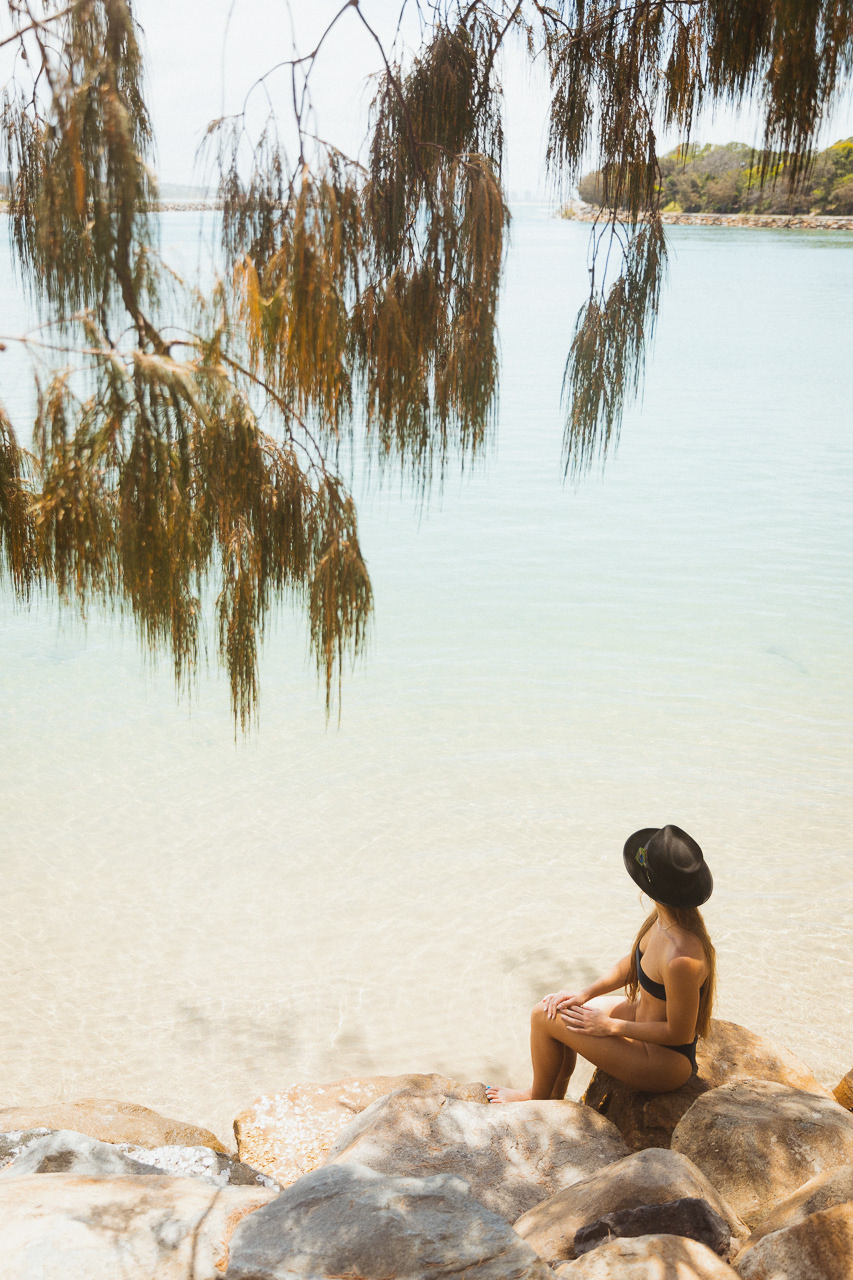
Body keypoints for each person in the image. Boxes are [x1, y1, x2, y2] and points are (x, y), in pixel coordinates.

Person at [486, 825, 716, 1103]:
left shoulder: (682, 958)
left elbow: (680, 1034)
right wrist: (583, 994)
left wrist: (610, 1026)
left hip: (663, 1061)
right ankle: (555, 1098)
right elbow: (634, 964)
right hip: (641, 1020)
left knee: (542, 1017)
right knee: (557, 1009)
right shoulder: (664, 919)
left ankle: (537, 1096)